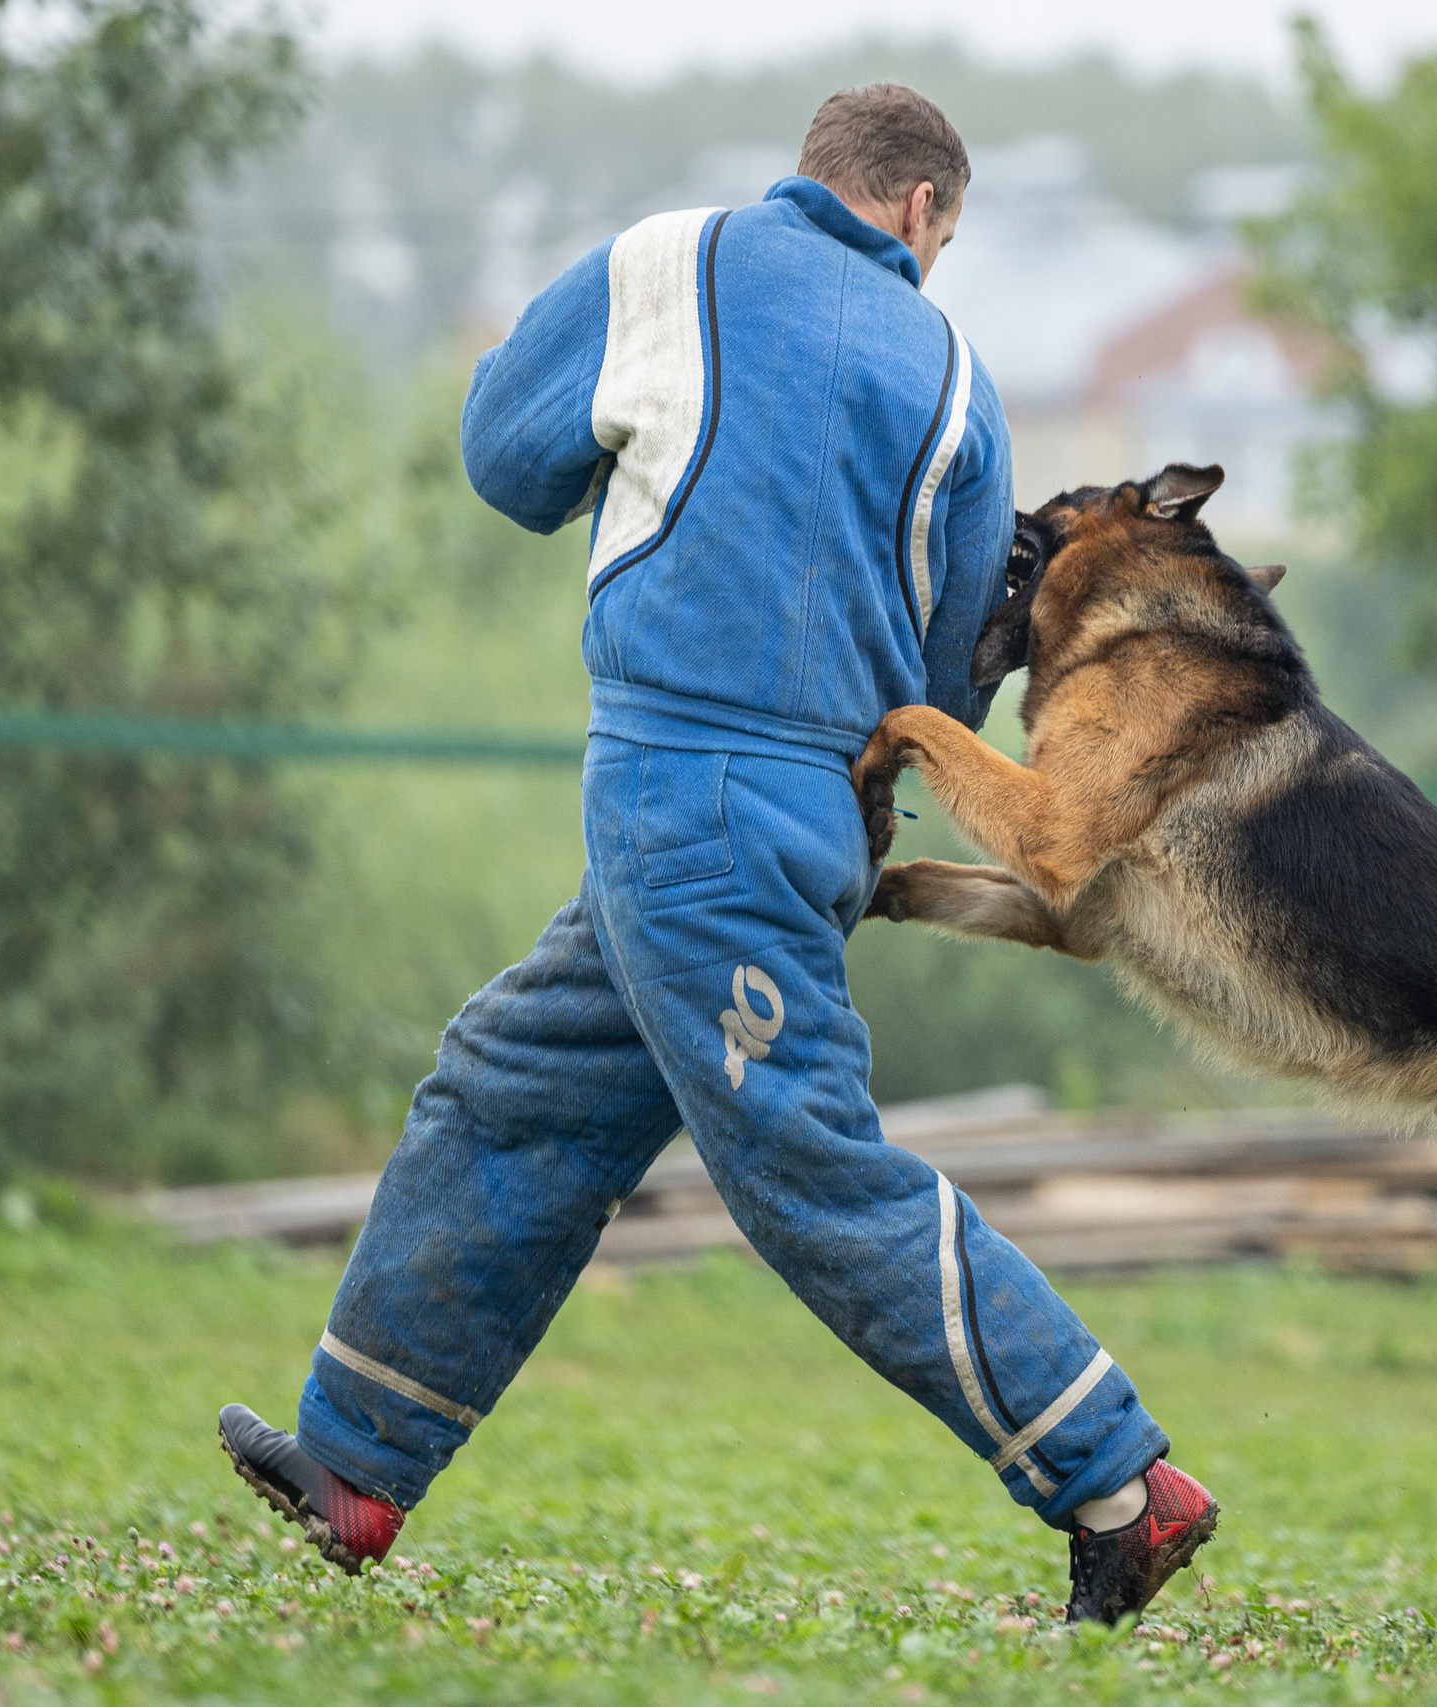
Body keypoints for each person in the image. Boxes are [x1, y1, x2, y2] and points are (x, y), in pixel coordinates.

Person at [216, 82, 1218, 1626]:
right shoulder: (958, 374)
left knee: (810, 1169)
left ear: (817, 174)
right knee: (514, 1085)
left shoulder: (664, 262)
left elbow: (504, 458)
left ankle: (1121, 1485)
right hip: (807, 812)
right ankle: (356, 1465)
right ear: (923, 211)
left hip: (682, 796)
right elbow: (952, 676)